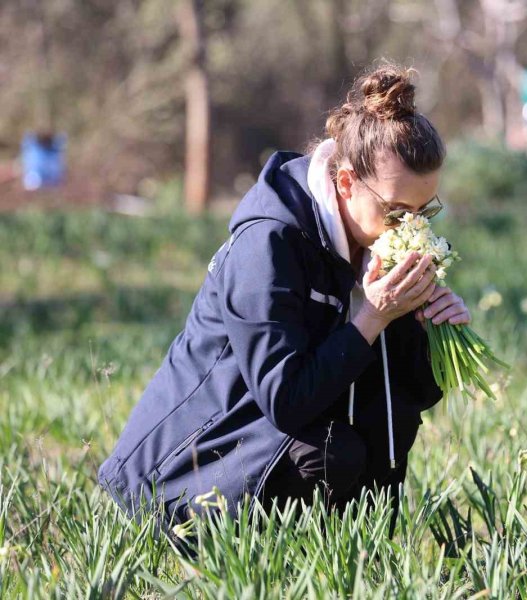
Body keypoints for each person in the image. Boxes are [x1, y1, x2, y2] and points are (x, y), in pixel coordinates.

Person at [97, 63, 471, 537]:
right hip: (177, 471)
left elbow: (412, 395)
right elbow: (287, 400)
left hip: (267, 437)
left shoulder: (373, 242)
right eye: (396, 211)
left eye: (424, 211)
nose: (410, 227)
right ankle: (248, 559)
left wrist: (425, 329)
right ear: (346, 182)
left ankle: (356, 558)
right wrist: (374, 316)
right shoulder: (269, 246)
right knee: (332, 453)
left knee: (386, 416)